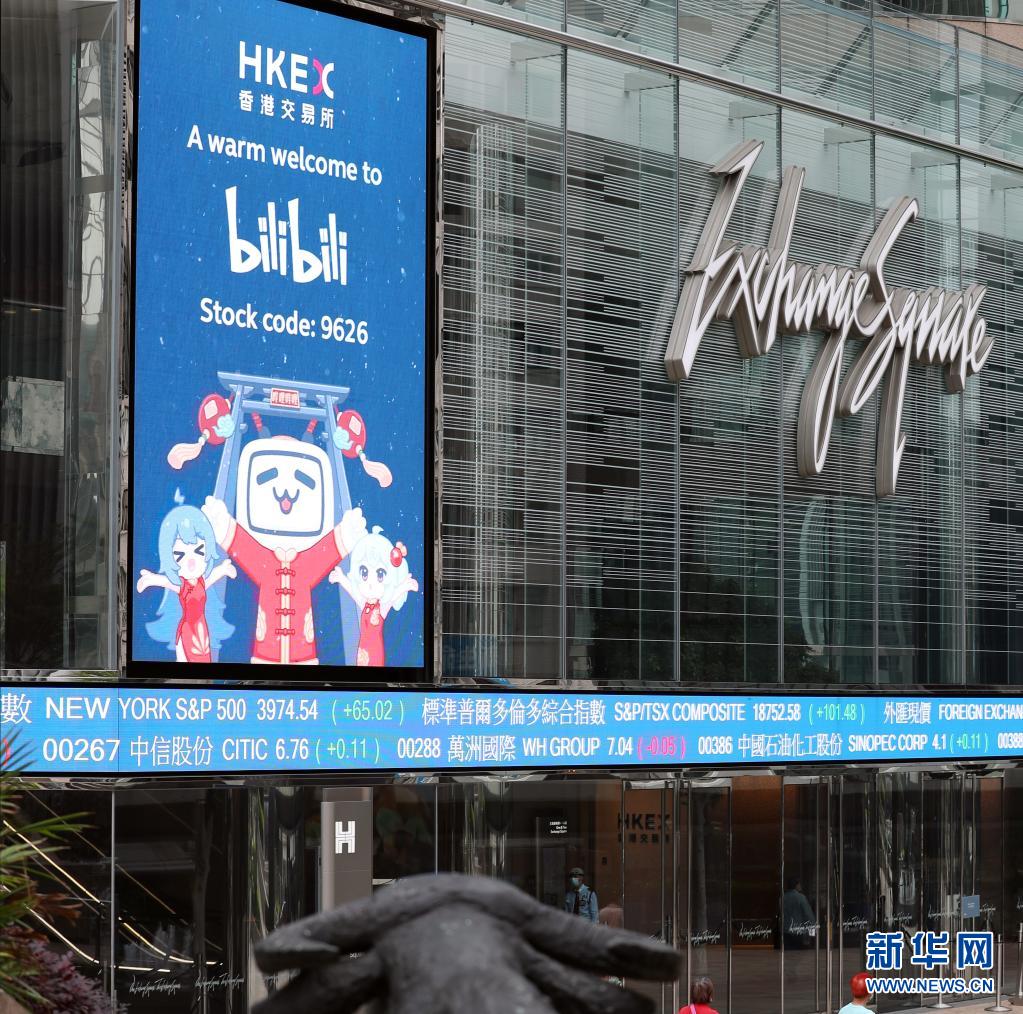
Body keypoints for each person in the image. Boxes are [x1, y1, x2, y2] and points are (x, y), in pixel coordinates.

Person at [782, 876, 817, 949]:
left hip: (785, 932)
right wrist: (813, 932)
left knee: (787, 954)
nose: (800, 886)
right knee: (799, 954)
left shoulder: (782, 898)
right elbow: (808, 915)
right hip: (799, 932)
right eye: (799, 884)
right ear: (796, 885)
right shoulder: (801, 897)